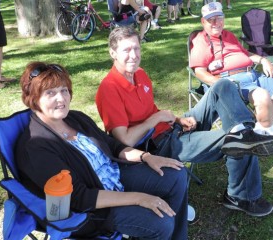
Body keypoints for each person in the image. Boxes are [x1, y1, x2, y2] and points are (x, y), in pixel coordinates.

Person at [96, 26, 273, 217]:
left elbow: (149, 111)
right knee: (237, 140)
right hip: (160, 146)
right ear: (113, 53)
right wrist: (157, 118)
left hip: (174, 128)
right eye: (126, 50)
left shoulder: (140, 74)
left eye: (136, 48)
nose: (134, 55)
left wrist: (178, 119)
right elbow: (124, 140)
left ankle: (242, 131)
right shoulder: (109, 89)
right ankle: (241, 195)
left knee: (222, 85)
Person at [15, 61, 188, 239]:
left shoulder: (75, 118)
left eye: (64, 90)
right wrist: (139, 198)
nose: (61, 99)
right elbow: (80, 198)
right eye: (50, 93)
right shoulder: (36, 145)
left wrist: (146, 157)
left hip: (114, 177)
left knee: (176, 174)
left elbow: (112, 145)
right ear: (34, 98)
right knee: (160, 221)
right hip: (94, 210)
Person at [189, 2, 273, 149]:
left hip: (251, 74)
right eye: (211, 19)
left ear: (224, 18)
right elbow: (199, 72)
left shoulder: (228, 35)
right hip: (230, 80)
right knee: (262, 95)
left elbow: (245, 54)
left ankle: (260, 128)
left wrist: (263, 60)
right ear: (203, 21)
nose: (216, 22)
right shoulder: (200, 41)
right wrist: (224, 86)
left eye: (219, 18)